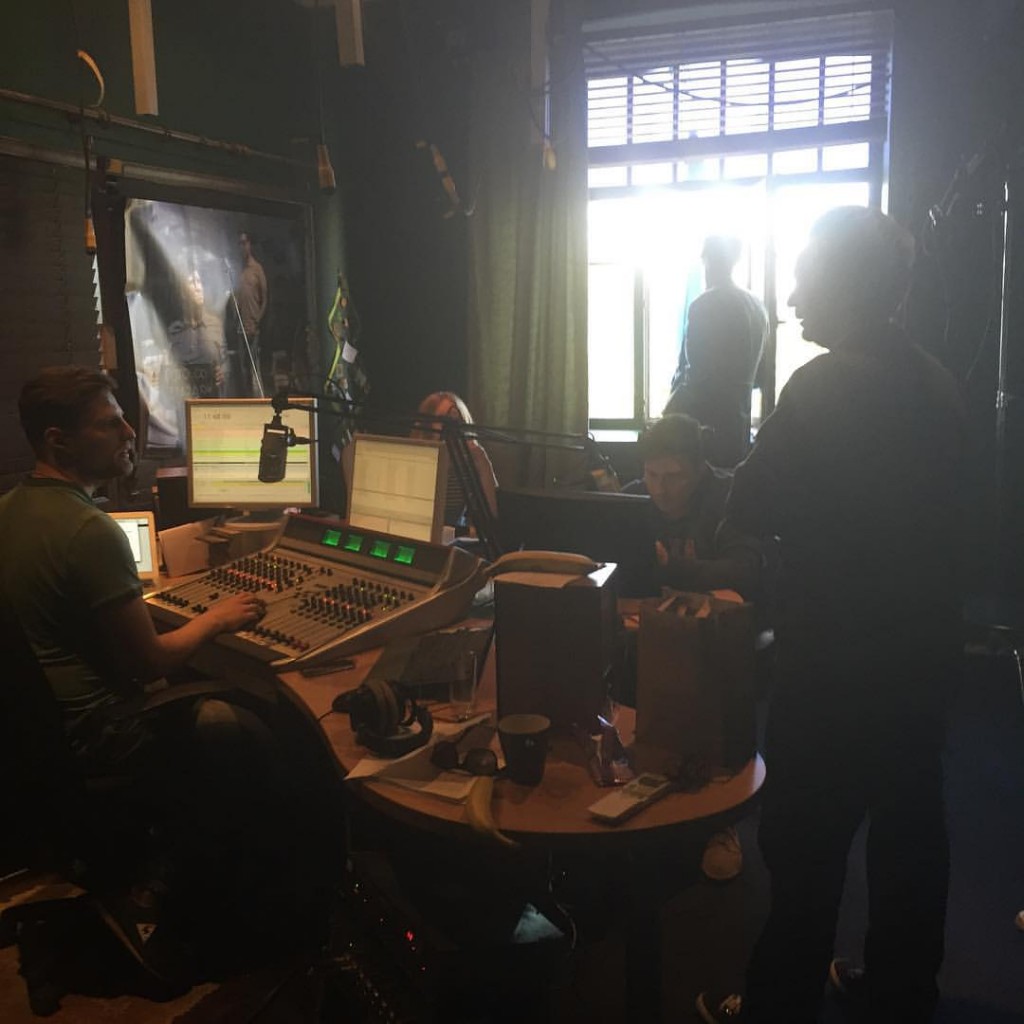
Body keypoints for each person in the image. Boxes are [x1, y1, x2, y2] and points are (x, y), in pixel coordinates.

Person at [696, 207, 968, 1023]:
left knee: (804, 852)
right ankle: (901, 993)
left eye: (806, 276)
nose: (791, 296)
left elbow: (748, 507)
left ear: (846, 283)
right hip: (922, 662)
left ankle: (778, 1006)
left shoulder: (821, 386)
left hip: (832, 673)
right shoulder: (940, 383)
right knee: (910, 839)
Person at [0, 367, 328, 985]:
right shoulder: (89, 533)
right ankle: (179, 896)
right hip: (96, 735)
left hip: (35, 737)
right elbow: (150, 662)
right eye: (109, 423)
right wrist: (216, 618)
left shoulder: (10, 512)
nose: (130, 432)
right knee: (246, 727)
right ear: (58, 441)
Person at [623, 413, 763, 881]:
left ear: (700, 469)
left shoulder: (729, 499)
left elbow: (747, 572)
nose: (660, 489)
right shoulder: (632, 501)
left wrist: (681, 573)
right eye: (651, 475)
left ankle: (718, 817)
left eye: (674, 477)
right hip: (641, 627)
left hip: (711, 634)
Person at [664, 235, 768, 468]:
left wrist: (669, 418)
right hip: (739, 427)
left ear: (707, 259)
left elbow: (695, 375)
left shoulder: (705, 304)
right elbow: (761, 377)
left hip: (704, 427)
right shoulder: (757, 306)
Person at [414, 390, 499, 531]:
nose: (452, 427)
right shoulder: (417, 459)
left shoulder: (468, 460)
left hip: (454, 535)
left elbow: (489, 516)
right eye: (444, 420)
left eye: (457, 420)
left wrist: (483, 464)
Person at [232, 231, 268, 392]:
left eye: (245, 243)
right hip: (240, 327)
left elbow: (265, 299)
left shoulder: (257, 269)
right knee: (243, 367)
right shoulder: (239, 270)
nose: (242, 247)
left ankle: (257, 397)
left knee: (255, 367)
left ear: (250, 244)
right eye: (240, 244)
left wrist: (257, 321)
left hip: (253, 326)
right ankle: (245, 396)